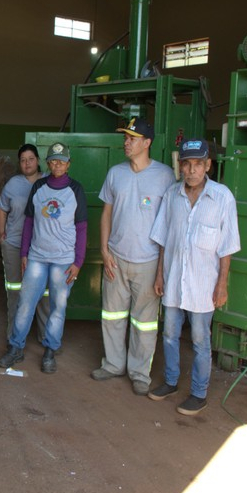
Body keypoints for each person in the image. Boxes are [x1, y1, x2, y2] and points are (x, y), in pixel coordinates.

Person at [148, 139, 240, 416]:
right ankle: (171, 382)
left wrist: (222, 284)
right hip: (174, 279)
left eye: (197, 164)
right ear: (180, 166)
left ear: (208, 165)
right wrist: (160, 274)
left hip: (203, 285)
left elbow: (227, 247)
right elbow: (164, 239)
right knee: (170, 334)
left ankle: (199, 393)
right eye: (186, 164)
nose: (191, 170)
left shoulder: (222, 197)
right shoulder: (172, 195)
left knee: (200, 341)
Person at [90, 117, 176, 396]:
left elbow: (168, 224)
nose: (126, 142)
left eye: (132, 138)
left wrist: (162, 268)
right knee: (112, 316)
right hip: (116, 257)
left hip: (148, 261)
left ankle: (140, 373)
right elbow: (106, 213)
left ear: (147, 143)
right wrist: (104, 250)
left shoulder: (165, 176)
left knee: (145, 322)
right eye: (125, 138)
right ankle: (113, 364)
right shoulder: (116, 173)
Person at [0, 142, 87, 373]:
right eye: (53, 160)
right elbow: (28, 222)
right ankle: (16, 347)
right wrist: (25, 253)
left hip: (63, 259)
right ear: (47, 163)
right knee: (26, 302)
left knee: (58, 306)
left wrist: (78, 262)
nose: (57, 164)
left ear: (69, 164)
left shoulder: (76, 189)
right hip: (37, 256)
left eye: (62, 161)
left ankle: (50, 350)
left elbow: (82, 228)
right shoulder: (39, 186)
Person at [0, 143, 49, 340]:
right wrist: (1, 234)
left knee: (44, 295)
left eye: (31, 159)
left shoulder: (48, 181)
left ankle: (46, 338)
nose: (27, 163)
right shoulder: (13, 183)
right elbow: (2, 208)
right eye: (23, 160)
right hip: (14, 245)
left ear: (38, 161)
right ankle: (14, 338)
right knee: (15, 292)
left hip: (41, 248)